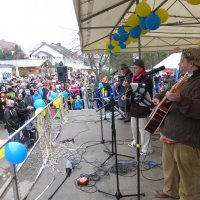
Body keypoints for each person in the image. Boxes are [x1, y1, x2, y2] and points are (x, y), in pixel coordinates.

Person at [153, 48, 200, 200]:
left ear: (192, 64)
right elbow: (170, 91)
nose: (179, 64)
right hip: (170, 133)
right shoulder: (186, 78)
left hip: (186, 138)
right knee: (170, 169)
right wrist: (159, 97)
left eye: (182, 61)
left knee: (188, 178)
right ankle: (170, 190)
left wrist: (180, 100)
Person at [128, 59, 153, 156]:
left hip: (143, 105)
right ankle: (136, 141)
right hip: (134, 105)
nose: (134, 69)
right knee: (133, 126)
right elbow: (132, 89)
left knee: (143, 128)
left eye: (136, 68)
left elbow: (143, 91)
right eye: (133, 68)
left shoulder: (146, 77)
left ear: (141, 67)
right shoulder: (134, 77)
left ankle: (147, 148)